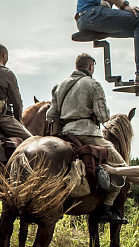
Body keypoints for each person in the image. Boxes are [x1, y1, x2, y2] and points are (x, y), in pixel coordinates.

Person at [47, 52, 128, 223]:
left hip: (65, 134)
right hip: (88, 133)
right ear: (91, 66)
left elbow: (51, 114)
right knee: (122, 167)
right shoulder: (93, 84)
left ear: (77, 66)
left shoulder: (59, 86)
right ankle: (106, 208)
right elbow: (103, 116)